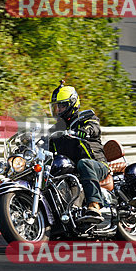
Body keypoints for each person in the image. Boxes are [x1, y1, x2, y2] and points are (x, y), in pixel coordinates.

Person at [48, 81, 109, 224]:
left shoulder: (86, 119)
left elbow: (95, 127)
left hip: (97, 164)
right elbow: (46, 142)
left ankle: (94, 205)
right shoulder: (56, 128)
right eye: (56, 107)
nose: (58, 110)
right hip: (73, 169)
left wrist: (86, 131)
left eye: (62, 106)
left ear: (72, 104)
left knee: (84, 163)